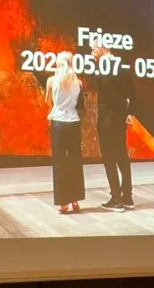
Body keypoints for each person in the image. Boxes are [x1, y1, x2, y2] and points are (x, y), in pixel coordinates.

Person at [91, 42, 135, 211]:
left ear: (101, 50)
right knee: (122, 154)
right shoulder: (120, 64)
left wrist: (119, 107)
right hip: (119, 117)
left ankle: (116, 198)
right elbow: (131, 91)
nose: (92, 53)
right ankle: (127, 196)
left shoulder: (104, 66)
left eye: (93, 49)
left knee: (109, 157)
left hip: (108, 117)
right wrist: (127, 111)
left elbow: (108, 93)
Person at [45, 51, 85, 215]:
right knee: (75, 160)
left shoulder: (51, 80)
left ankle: (63, 202)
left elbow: (48, 101)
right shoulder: (79, 82)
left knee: (59, 162)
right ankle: (75, 200)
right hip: (74, 123)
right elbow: (80, 105)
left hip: (59, 123)